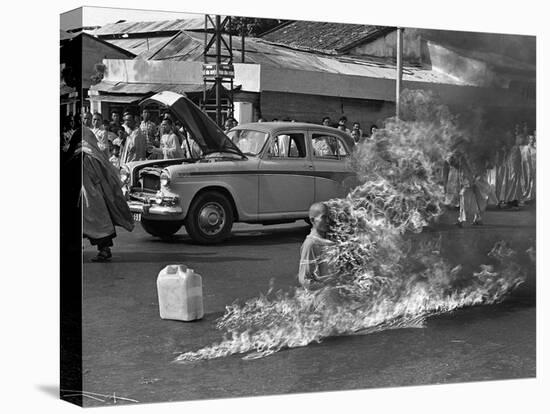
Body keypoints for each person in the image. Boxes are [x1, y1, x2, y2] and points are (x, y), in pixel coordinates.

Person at [65, 127, 134, 262]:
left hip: (86, 196)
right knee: (98, 224)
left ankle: (102, 250)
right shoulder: (94, 155)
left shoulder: (82, 156)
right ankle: (102, 250)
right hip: (95, 195)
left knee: (93, 225)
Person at [298, 202, 337, 289]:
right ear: (312, 220)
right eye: (323, 217)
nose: (328, 221)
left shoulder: (329, 239)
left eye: (329, 217)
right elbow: (305, 280)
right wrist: (326, 286)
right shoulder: (311, 244)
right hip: (322, 298)